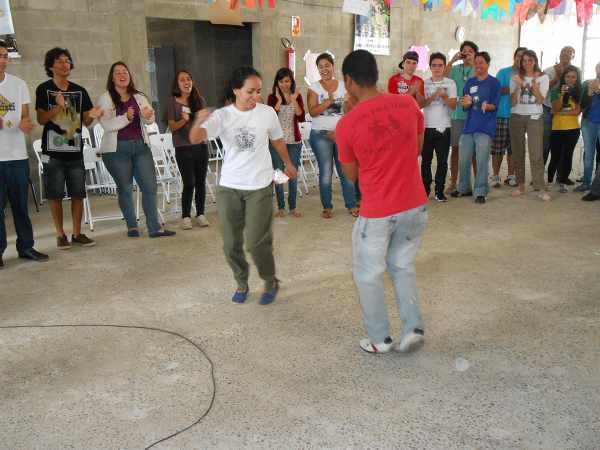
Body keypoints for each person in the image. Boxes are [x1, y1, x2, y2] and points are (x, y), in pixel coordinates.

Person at [336, 49, 428, 354]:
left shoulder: (348, 124)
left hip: (378, 210)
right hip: (414, 203)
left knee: (368, 273)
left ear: (349, 81)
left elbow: (351, 175)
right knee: (402, 265)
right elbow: (417, 147)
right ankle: (413, 328)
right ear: (376, 75)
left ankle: (379, 339)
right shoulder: (408, 104)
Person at [189, 67, 297, 305]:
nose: (255, 96)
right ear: (236, 90)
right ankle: (241, 281)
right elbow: (195, 138)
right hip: (230, 187)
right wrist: (199, 120)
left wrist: (288, 163)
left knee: (257, 243)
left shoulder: (267, 113)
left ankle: (270, 280)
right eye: (250, 91)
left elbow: (278, 140)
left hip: (259, 185)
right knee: (230, 244)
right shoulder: (223, 116)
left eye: (258, 91)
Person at [96, 61, 175, 238]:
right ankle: (132, 226)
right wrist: (126, 117)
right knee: (125, 188)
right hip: (116, 150)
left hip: (140, 146)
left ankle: (154, 228)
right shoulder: (105, 98)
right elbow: (106, 124)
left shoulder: (139, 96)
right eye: (117, 72)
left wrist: (148, 116)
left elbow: (149, 119)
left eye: (125, 71)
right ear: (112, 78)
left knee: (150, 186)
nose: (122, 75)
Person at [35, 47, 102, 249]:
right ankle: (60, 235)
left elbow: (86, 121)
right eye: (60, 61)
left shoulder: (80, 90)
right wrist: (58, 106)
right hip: (52, 152)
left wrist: (93, 115)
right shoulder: (44, 89)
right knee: (55, 194)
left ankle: (77, 233)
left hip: (75, 151)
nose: (65, 64)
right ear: (50, 66)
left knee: (78, 193)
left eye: (67, 61)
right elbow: (41, 119)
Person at [0, 41, 48, 268]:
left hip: (18, 155)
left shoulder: (18, 85)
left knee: (21, 205)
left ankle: (26, 246)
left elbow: (26, 117)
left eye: (4, 56)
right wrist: (12, 123)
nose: (2, 60)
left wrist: (23, 123)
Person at [307, 53, 359, 219]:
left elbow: (351, 112)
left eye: (327, 66)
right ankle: (327, 207)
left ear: (333, 66)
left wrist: (347, 103)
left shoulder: (344, 86)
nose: (324, 69)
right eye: (320, 67)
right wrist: (328, 102)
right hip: (320, 135)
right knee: (326, 171)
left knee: (346, 170)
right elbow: (312, 112)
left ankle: (352, 204)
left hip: (341, 135)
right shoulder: (314, 87)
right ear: (318, 69)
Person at [452, 52, 500, 204]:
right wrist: (466, 103)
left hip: (485, 128)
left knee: (481, 160)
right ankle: (464, 188)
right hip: (469, 127)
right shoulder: (470, 82)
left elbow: (495, 105)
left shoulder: (494, 83)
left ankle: (480, 191)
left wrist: (487, 106)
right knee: (464, 159)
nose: (478, 65)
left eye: (482, 62)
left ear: (488, 64)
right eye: (476, 62)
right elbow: (465, 104)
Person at [167, 70, 210, 229]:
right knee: (189, 182)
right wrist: (183, 121)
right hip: (183, 147)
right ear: (177, 84)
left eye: (189, 79)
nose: (187, 82)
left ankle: (201, 214)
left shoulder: (200, 100)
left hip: (200, 146)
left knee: (200, 182)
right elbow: (172, 127)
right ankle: (185, 216)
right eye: (182, 80)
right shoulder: (172, 102)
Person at [509, 49, 551, 201]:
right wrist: (518, 86)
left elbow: (540, 100)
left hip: (535, 117)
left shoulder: (543, 77)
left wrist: (534, 87)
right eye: (524, 60)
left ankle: (540, 187)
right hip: (516, 116)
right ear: (520, 62)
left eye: (530, 60)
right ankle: (521, 185)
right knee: (517, 152)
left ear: (535, 61)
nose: (527, 63)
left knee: (536, 153)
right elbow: (512, 102)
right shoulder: (514, 77)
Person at [267, 68, 305, 218]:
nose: (284, 84)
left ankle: (293, 207)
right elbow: (270, 118)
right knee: (279, 174)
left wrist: (294, 100)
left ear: (291, 81)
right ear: (277, 82)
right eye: (281, 81)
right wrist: (278, 101)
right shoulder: (272, 97)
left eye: (287, 81)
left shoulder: (297, 96)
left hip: (294, 141)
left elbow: (301, 117)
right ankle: (281, 207)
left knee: (292, 173)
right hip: (277, 142)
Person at [420, 52, 457, 201]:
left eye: (440, 65)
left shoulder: (450, 83)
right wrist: (435, 95)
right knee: (426, 161)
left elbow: (453, 105)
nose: (437, 68)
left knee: (442, 162)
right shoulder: (424, 83)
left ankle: (439, 191)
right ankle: (424, 190)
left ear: (444, 66)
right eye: (434, 65)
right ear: (430, 67)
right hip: (427, 127)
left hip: (444, 127)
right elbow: (421, 104)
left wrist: (444, 96)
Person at [444, 40, 479, 194]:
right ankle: (453, 182)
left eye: (470, 51)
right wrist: (452, 60)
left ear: (475, 54)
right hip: (457, 114)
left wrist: (474, 63)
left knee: (474, 152)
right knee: (456, 149)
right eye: (464, 51)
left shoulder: (478, 69)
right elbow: (443, 77)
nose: (467, 53)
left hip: (473, 115)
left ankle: (478, 183)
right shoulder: (455, 69)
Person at [492, 47, 526, 187]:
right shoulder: (503, 72)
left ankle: (511, 175)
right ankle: (495, 176)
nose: (521, 59)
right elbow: (496, 90)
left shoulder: (528, 75)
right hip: (502, 115)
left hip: (519, 116)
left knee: (514, 149)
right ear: (514, 57)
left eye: (524, 57)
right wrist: (515, 86)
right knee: (498, 149)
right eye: (519, 56)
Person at [543, 46, 579, 166]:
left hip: (566, 112)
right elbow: (542, 89)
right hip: (548, 109)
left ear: (573, 56)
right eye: (564, 52)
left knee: (563, 145)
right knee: (545, 142)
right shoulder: (549, 70)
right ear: (559, 54)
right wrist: (557, 77)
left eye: (570, 53)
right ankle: (540, 171)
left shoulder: (576, 71)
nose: (566, 54)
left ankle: (560, 173)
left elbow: (578, 90)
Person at [548, 66, 581, 193]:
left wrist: (560, 113)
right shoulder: (555, 91)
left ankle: (562, 181)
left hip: (573, 129)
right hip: (557, 129)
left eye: (573, 77)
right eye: (567, 76)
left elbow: (577, 112)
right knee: (555, 156)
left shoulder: (578, 92)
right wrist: (562, 95)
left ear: (576, 79)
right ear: (563, 78)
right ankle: (549, 181)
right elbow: (555, 108)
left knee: (567, 156)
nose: (570, 79)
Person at [576, 62, 600, 192]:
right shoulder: (587, 83)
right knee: (589, 154)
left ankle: (597, 184)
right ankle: (586, 183)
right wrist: (590, 93)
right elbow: (582, 104)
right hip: (588, 122)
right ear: (596, 69)